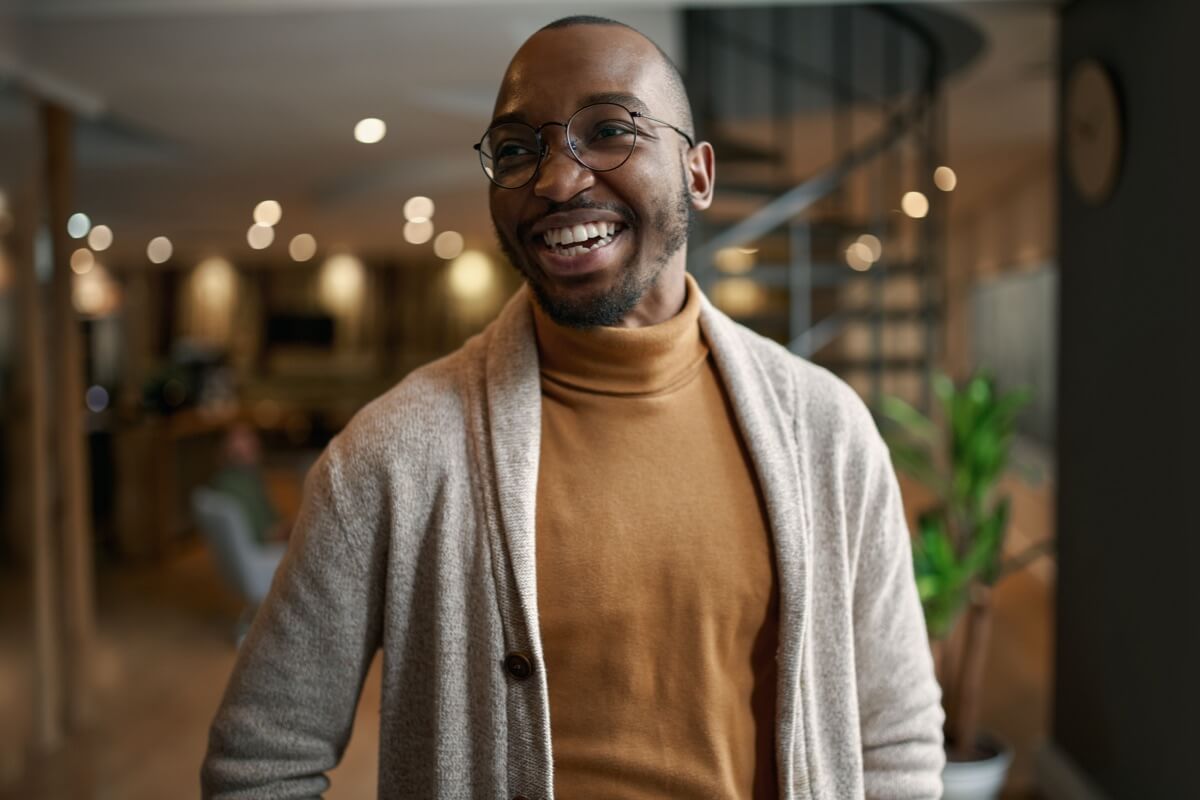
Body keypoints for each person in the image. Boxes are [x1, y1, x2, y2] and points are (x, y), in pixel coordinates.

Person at [202, 15, 944, 800]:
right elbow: (261, 763)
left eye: (610, 130)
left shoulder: (826, 432)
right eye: (518, 149)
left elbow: (895, 737)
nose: (557, 182)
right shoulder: (391, 455)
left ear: (698, 174)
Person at [209, 421, 291, 545]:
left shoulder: (246, 477)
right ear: (226, 447)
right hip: (266, 552)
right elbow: (265, 535)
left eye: (252, 436)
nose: (254, 442)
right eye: (243, 437)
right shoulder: (236, 486)